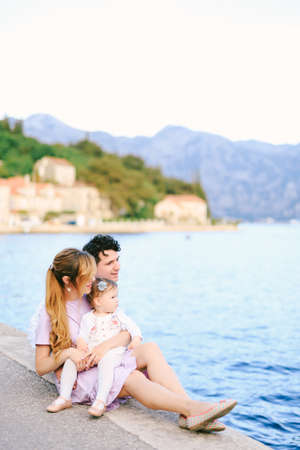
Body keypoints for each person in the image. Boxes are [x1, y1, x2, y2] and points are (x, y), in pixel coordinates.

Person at [35, 245, 237, 431]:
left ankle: (188, 414)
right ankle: (193, 409)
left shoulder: (92, 298)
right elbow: (41, 365)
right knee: (133, 378)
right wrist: (68, 353)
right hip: (81, 376)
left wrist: (104, 347)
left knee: (150, 348)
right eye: (86, 275)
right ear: (67, 281)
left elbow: (125, 332)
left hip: (105, 358)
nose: (92, 279)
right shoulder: (50, 312)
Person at [47, 276, 142, 417]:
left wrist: (136, 339)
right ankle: (64, 397)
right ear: (98, 301)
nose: (117, 300)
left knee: (107, 363)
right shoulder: (88, 318)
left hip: (112, 352)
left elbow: (133, 327)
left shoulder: (118, 315)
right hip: (92, 353)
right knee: (70, 362)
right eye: (113, 297)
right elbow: (82, 335)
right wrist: (82, 344)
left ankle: (100, 401)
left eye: (116, 297)